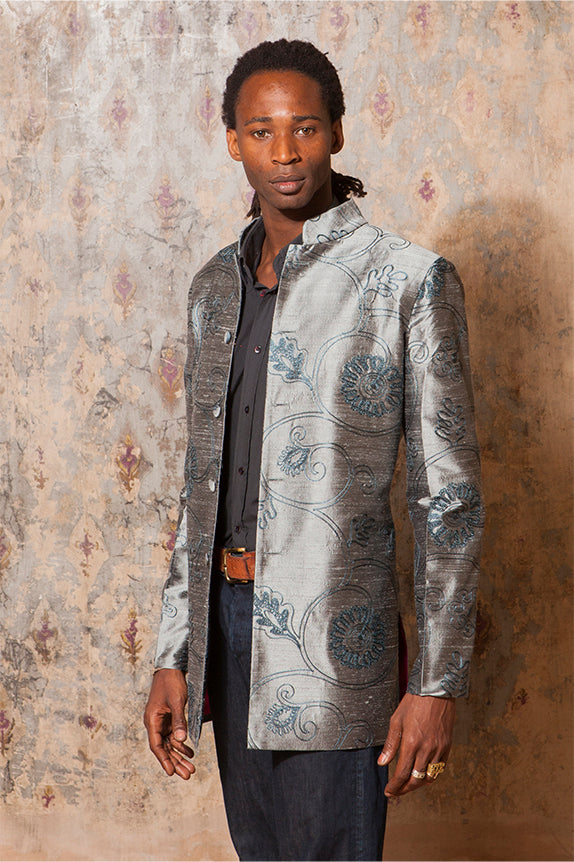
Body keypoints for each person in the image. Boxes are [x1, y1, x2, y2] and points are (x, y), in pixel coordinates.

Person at [144, 39, 483, 861]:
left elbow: (449, 504)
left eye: (304, 128)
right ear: (233, 140)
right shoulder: (212, 289)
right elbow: (200, 488)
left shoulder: (406, 280)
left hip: (338, 643)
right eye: (261, 132)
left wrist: (435, 684)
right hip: (226, 631)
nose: (285, 152)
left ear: (336, 132)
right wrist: (172, 654)